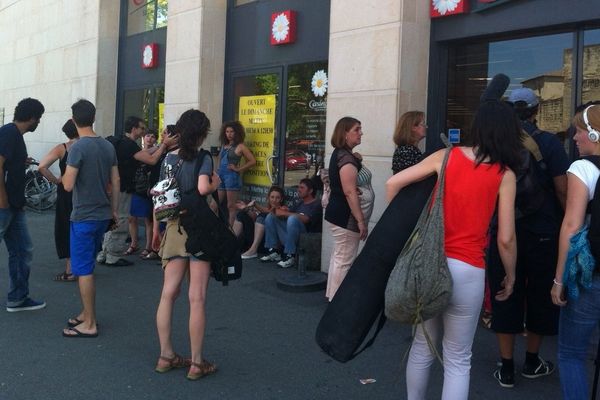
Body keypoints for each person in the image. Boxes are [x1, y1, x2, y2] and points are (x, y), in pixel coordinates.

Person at [386, 100, 519, 400]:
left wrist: (399, 232)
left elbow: (393, 183)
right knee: (458, 359)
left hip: (430, 263)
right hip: (469, 270)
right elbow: (506, 238)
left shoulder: (445, 157)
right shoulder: (505, 174)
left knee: (422, 347)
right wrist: (510, 276)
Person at [489, 87, 569, 388]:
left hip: (503, 229)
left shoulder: (496, 145)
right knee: (539, 294)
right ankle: (533, 360)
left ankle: (506, 366)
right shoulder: (549, 143)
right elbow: (562, 189)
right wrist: (566, 222)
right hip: (543, 231)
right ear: (535, 112)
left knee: (504, 292)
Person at [152, 109, 219, 380]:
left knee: (168, 293)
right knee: (197, 297)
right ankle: (196, 363)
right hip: (199, 228)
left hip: (173, 227)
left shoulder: (168, 158)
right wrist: (216, 182)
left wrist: (157, 228)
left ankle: (166, 355)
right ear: (202, 133)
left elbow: (159, 195)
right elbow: (203, 188)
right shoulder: (203, 158)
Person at [551, 104, 600, 400]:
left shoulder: (583, 168)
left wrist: (559, 280)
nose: (575, 138)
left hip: (591, 277)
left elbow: (571, 224)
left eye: (579, 131)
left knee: (571, 353)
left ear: (593, 133)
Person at [61, 99, 119, 337]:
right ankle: (86, 313)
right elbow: (115, 181)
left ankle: (90, 323)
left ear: (74, 121)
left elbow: (67, 185)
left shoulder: (77, 148)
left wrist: (65, 172)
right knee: (88, 265)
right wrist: (113, 211)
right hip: (102, 215)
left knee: (83, 269)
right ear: (93, 118)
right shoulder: (107, 146)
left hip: (83, 216)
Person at [96, 116, 177, 266]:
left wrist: (161, 146)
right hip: (123, 187)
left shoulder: (120, 141)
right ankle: (113, 256)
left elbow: (146, 152)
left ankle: (104, 253)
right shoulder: (130, 146)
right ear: (134, 129)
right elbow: (151, 160)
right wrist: (164, 145)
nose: (143, 131)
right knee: (121, 219)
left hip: (112, 187)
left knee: (112, 219)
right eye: (141, 128)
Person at [0, 97, 47, 312]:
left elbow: (7, 163)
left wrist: (21, 162)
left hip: (14, 205)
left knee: (22, 250)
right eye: (39, 118)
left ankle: (18, 297)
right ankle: (18, 296)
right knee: (21, 250)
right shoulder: (9, 133)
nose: (39, 122)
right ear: (32, 118)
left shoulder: (14, 135)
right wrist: (2, 199)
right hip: (5, 204)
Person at [324, 117, 373, 301]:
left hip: (338, 213)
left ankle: (332, 296)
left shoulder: (342, 154)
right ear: (345, 134)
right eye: (357, 129)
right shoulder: (345, 157)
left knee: (339, 258)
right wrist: (361, 221)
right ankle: (337, 302)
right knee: (344, 260)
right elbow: (350, 191)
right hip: (345, 217)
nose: (361, 133)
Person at [38, 119, 79, 282]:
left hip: (66, 191)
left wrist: (56, 180)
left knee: (66, 227)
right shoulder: (88, 146)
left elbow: (42, 166)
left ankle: (70, 269)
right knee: (82, 227)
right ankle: (83, 266)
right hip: (84, 191)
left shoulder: (62, 148)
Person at [260, 178, 322, 268]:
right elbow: (287, 212)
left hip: (306, 240)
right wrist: (283, 209)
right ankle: (274, 251)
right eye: (298, 187)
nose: (298, 190)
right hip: (290, 237)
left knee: (292, 218)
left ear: (310, 191)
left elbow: (306, 219)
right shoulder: (300, 203)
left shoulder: (316, 204)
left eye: (302, 188)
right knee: (271, 216)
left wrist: (286, 213)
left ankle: (290, 256)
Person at [217, 121, 256, 227]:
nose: (229, 134)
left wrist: (239, 169)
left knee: (231, 205)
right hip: (221, 176)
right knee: (215, 203)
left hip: (231, 177)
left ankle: (231, 229)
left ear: (237, 132)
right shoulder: (224, 145)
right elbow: (219, 161)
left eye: (232, 131)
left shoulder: (241, 146)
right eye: (227, 131)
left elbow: (252, 161)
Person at [129, 129, 159, 260]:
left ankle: (148, 246)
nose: (150, 139)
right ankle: (134, 243)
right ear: (143, 137)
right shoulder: (137, 150)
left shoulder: (157, 152)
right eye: (148, 135)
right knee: (132, 217)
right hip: (135, 186)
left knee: (148, 219)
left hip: (147, 189)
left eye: (153, 137)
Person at [233, 185, 285, 259]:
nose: (274, 200)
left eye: (277, 198)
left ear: (281, 199)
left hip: (271, 245)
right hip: (258, 240)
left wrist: (255, 205)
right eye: (272, 197)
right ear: (268, 198)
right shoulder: (265, 209)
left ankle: (253, 250)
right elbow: (254, 218)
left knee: (263, 216)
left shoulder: (283, 209)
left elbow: (269, 212)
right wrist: (246, 208)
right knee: (242, 214)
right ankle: (230, 243)